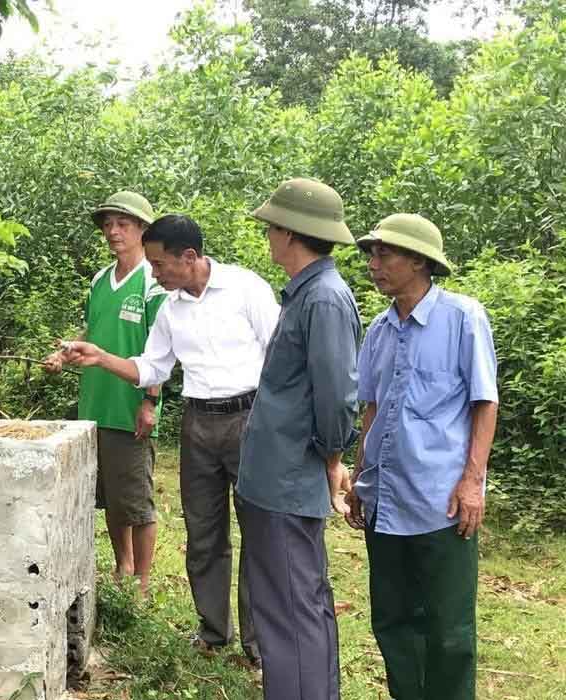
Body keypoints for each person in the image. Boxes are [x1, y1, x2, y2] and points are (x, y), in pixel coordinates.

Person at [60, 213, 280, 665]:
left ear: (190, 257)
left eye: (160, 265)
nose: (155, 274)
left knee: (258, 533)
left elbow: (281, 353)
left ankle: (259, 644)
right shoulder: (173, 307)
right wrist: (101, 357)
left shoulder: (246, 289)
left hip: (251, 419)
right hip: (198, 424)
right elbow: (151, 368)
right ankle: (213, 632)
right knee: (204, 533)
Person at [345, 213, 498, 700]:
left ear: (418, 260)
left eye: (384, 254)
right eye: (371, 254)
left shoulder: (462, 317)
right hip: (385, 504)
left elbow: (484, 401)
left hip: (441, 504)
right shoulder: (379, 331)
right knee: (392, 620)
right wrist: (360, 479)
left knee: (449, 629)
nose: (373, 264)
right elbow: (373, 408)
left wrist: (473, 481)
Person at [235, 177, 361, 700]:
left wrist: (332, 458)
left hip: (288, 478)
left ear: (291, 233)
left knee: (292, 605)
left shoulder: (325, 300)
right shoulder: (306, 294)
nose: (268, 238)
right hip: (273, 477)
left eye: (271, 228)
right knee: (286, 600)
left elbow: (335, 398)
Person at [43, 191, 165, 596]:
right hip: (93, 404)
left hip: (129, 405)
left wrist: (150, 401)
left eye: (123, 224)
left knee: (136, 499)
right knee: (110, 498)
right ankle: (122, 568)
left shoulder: (153, 282)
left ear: (143, 230)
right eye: (108, 225)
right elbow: (92, 333)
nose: (114, 232)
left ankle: (144, 584)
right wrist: (65, 353)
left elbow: (160, 348)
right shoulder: (99, 280)